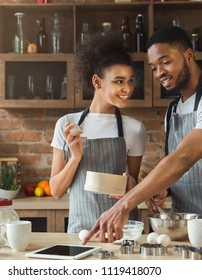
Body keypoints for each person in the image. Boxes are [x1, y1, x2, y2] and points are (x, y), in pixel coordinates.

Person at [83, 26, 202, 243]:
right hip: (183, 231)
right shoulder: (173, 110)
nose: (159, 73)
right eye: (153, 67)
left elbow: (184, 157)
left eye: (165, 62)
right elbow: (185, 172)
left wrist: (124, 204)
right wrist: (164, 189)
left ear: (189, 55)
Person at [49, 33, 147, 233]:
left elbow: (133, 184)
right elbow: (56, 191)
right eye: (119, 81)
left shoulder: (134, 129)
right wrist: (75, 157)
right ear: (97, 82)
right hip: (81, 231)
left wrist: (131, 184)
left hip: (122, 230)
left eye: (130, 81)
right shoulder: (67, 125)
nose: (127, 88)